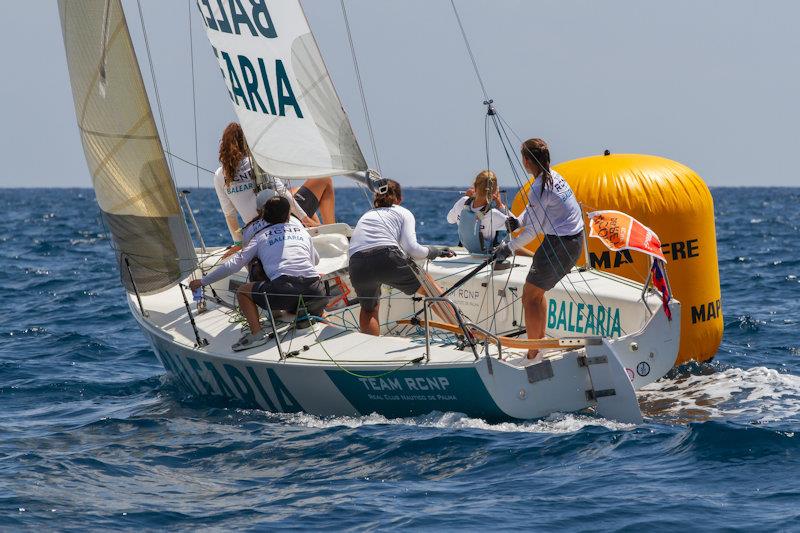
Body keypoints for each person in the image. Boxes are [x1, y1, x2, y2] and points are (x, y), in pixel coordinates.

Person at [189, 196, 327, 351]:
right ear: (288, 215)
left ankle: (256, 335)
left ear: (264, 215)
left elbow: (234, 265)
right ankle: (306, 315)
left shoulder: (260, 237)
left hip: (284, 292)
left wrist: (202, 282)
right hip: (316, 291)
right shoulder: (302, 232)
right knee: (301, 290)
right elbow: (315, 260)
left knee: (243, 292)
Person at [494, 138, 584, 360]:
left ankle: (533, 353)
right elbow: (534, 214)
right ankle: (539, 343)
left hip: (560, 245)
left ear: (525, 161)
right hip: (573, 240)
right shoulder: (554, 177)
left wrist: (509, 248)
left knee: (529, 297)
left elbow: (534, 231)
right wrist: (518, 222)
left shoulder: (538, 188)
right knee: (535, 293)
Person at [348, 180, 454, 336]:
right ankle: (467, 333)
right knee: (430, 289)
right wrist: (434, 251)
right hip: (386, 257)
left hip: (356, 263)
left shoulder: (367, 214)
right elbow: (413, 249)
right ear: (399, 198)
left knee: (369, 309)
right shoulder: (402, 211)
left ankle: (370, 350)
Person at [213, 123, 337, 245]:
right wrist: (306, 220)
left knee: (296, 190)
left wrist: (239, 244)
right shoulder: (257, 163)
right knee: (324, 179)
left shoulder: (219, 175)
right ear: (245, 143)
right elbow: (284, 194)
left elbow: (230, 215)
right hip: (279, 221)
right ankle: (330, 232)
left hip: (254, 230)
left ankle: (315, 224)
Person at [446, 170, 508, 254]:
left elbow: (449, 219)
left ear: (474, 186)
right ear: (494, 192)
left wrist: (467, 198)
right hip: (485, 257)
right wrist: (500, 204)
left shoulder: (463, 202)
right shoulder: (493, 214)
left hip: (466, 249)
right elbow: (516, 226)